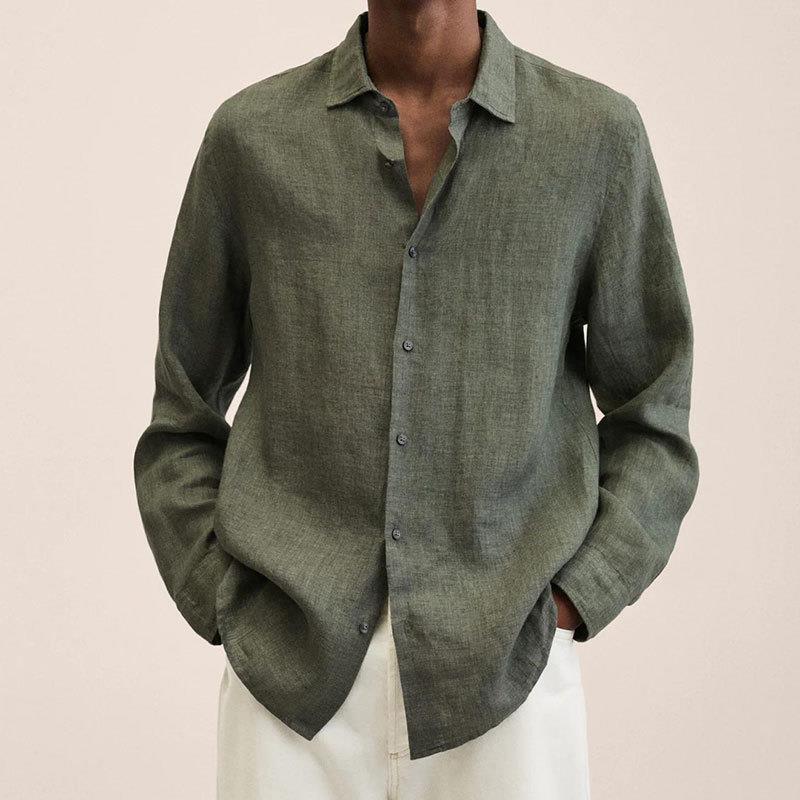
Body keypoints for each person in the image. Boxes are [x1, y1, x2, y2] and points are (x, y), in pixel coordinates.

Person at [133, 3, 699, 798]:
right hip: (289, 687)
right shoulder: (251, 139)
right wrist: (226, 601)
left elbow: (654, 414)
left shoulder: (595, 137)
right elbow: (182, 412)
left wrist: (575, 598)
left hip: (507, 680)